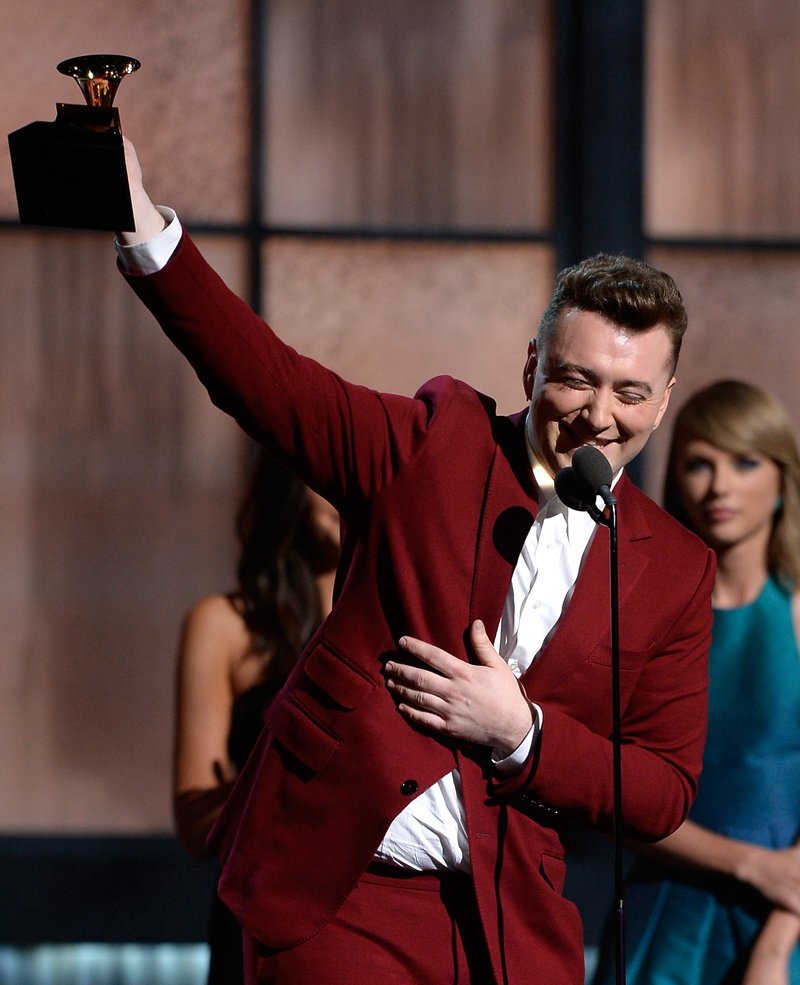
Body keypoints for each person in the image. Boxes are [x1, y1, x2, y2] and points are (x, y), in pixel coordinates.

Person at [113, 137, 715, 985]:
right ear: (532, 365)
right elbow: (267, 381)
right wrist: (143, 229)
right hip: (340, 889)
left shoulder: (676, 568)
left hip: (509, 920)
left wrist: (524, 734)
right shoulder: (435, 443)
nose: (598, 416)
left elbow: (661, 790)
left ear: (664, 398)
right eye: (577, 380)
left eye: (630, 392)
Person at [591, 379, 800, 985]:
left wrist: (778, 937)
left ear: (783, 476)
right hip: (667, 917)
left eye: (744, 461)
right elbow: (616, 795)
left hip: (786, 921)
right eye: (699, 463)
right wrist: (750, 866)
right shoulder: (647, 613)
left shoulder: (794, 612)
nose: (721, 486)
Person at [174, 450, 339, 983]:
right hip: (260, 915)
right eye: (326, 474)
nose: (341, 494)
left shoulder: (409, 623)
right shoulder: (224, 626)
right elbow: (194, 823)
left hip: (376, 914)